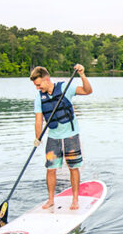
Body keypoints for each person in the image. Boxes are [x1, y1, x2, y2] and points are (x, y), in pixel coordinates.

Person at [31, 64, 93, 209]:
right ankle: (51, 200)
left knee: (73, 167)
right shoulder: (39, 98)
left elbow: (87, 91)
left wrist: (82, 75)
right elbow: (38, 119)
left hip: (71, 136)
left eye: (39, 85)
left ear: (47, 79)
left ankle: (75, 199)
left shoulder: (65, 88)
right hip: (53, 138)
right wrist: (37, 137)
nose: (37, 88)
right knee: (50, 169)